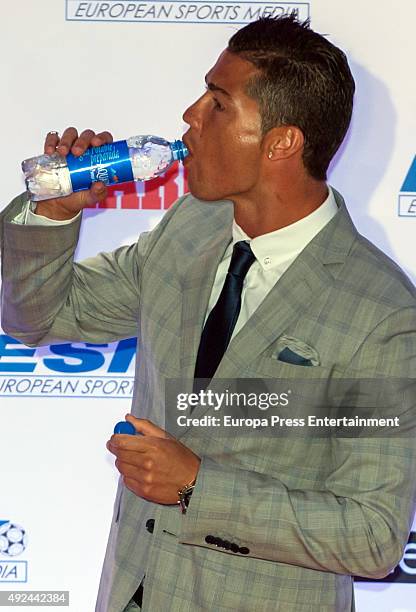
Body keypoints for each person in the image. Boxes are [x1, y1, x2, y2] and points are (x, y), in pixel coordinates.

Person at [1, 14, 416, 612]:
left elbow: (373, 536)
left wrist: (198, 486)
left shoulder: (377, 309)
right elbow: (39, 317)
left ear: (282, 142)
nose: (191, 116)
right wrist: (56, 211)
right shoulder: (189, 229)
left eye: (218, 103)